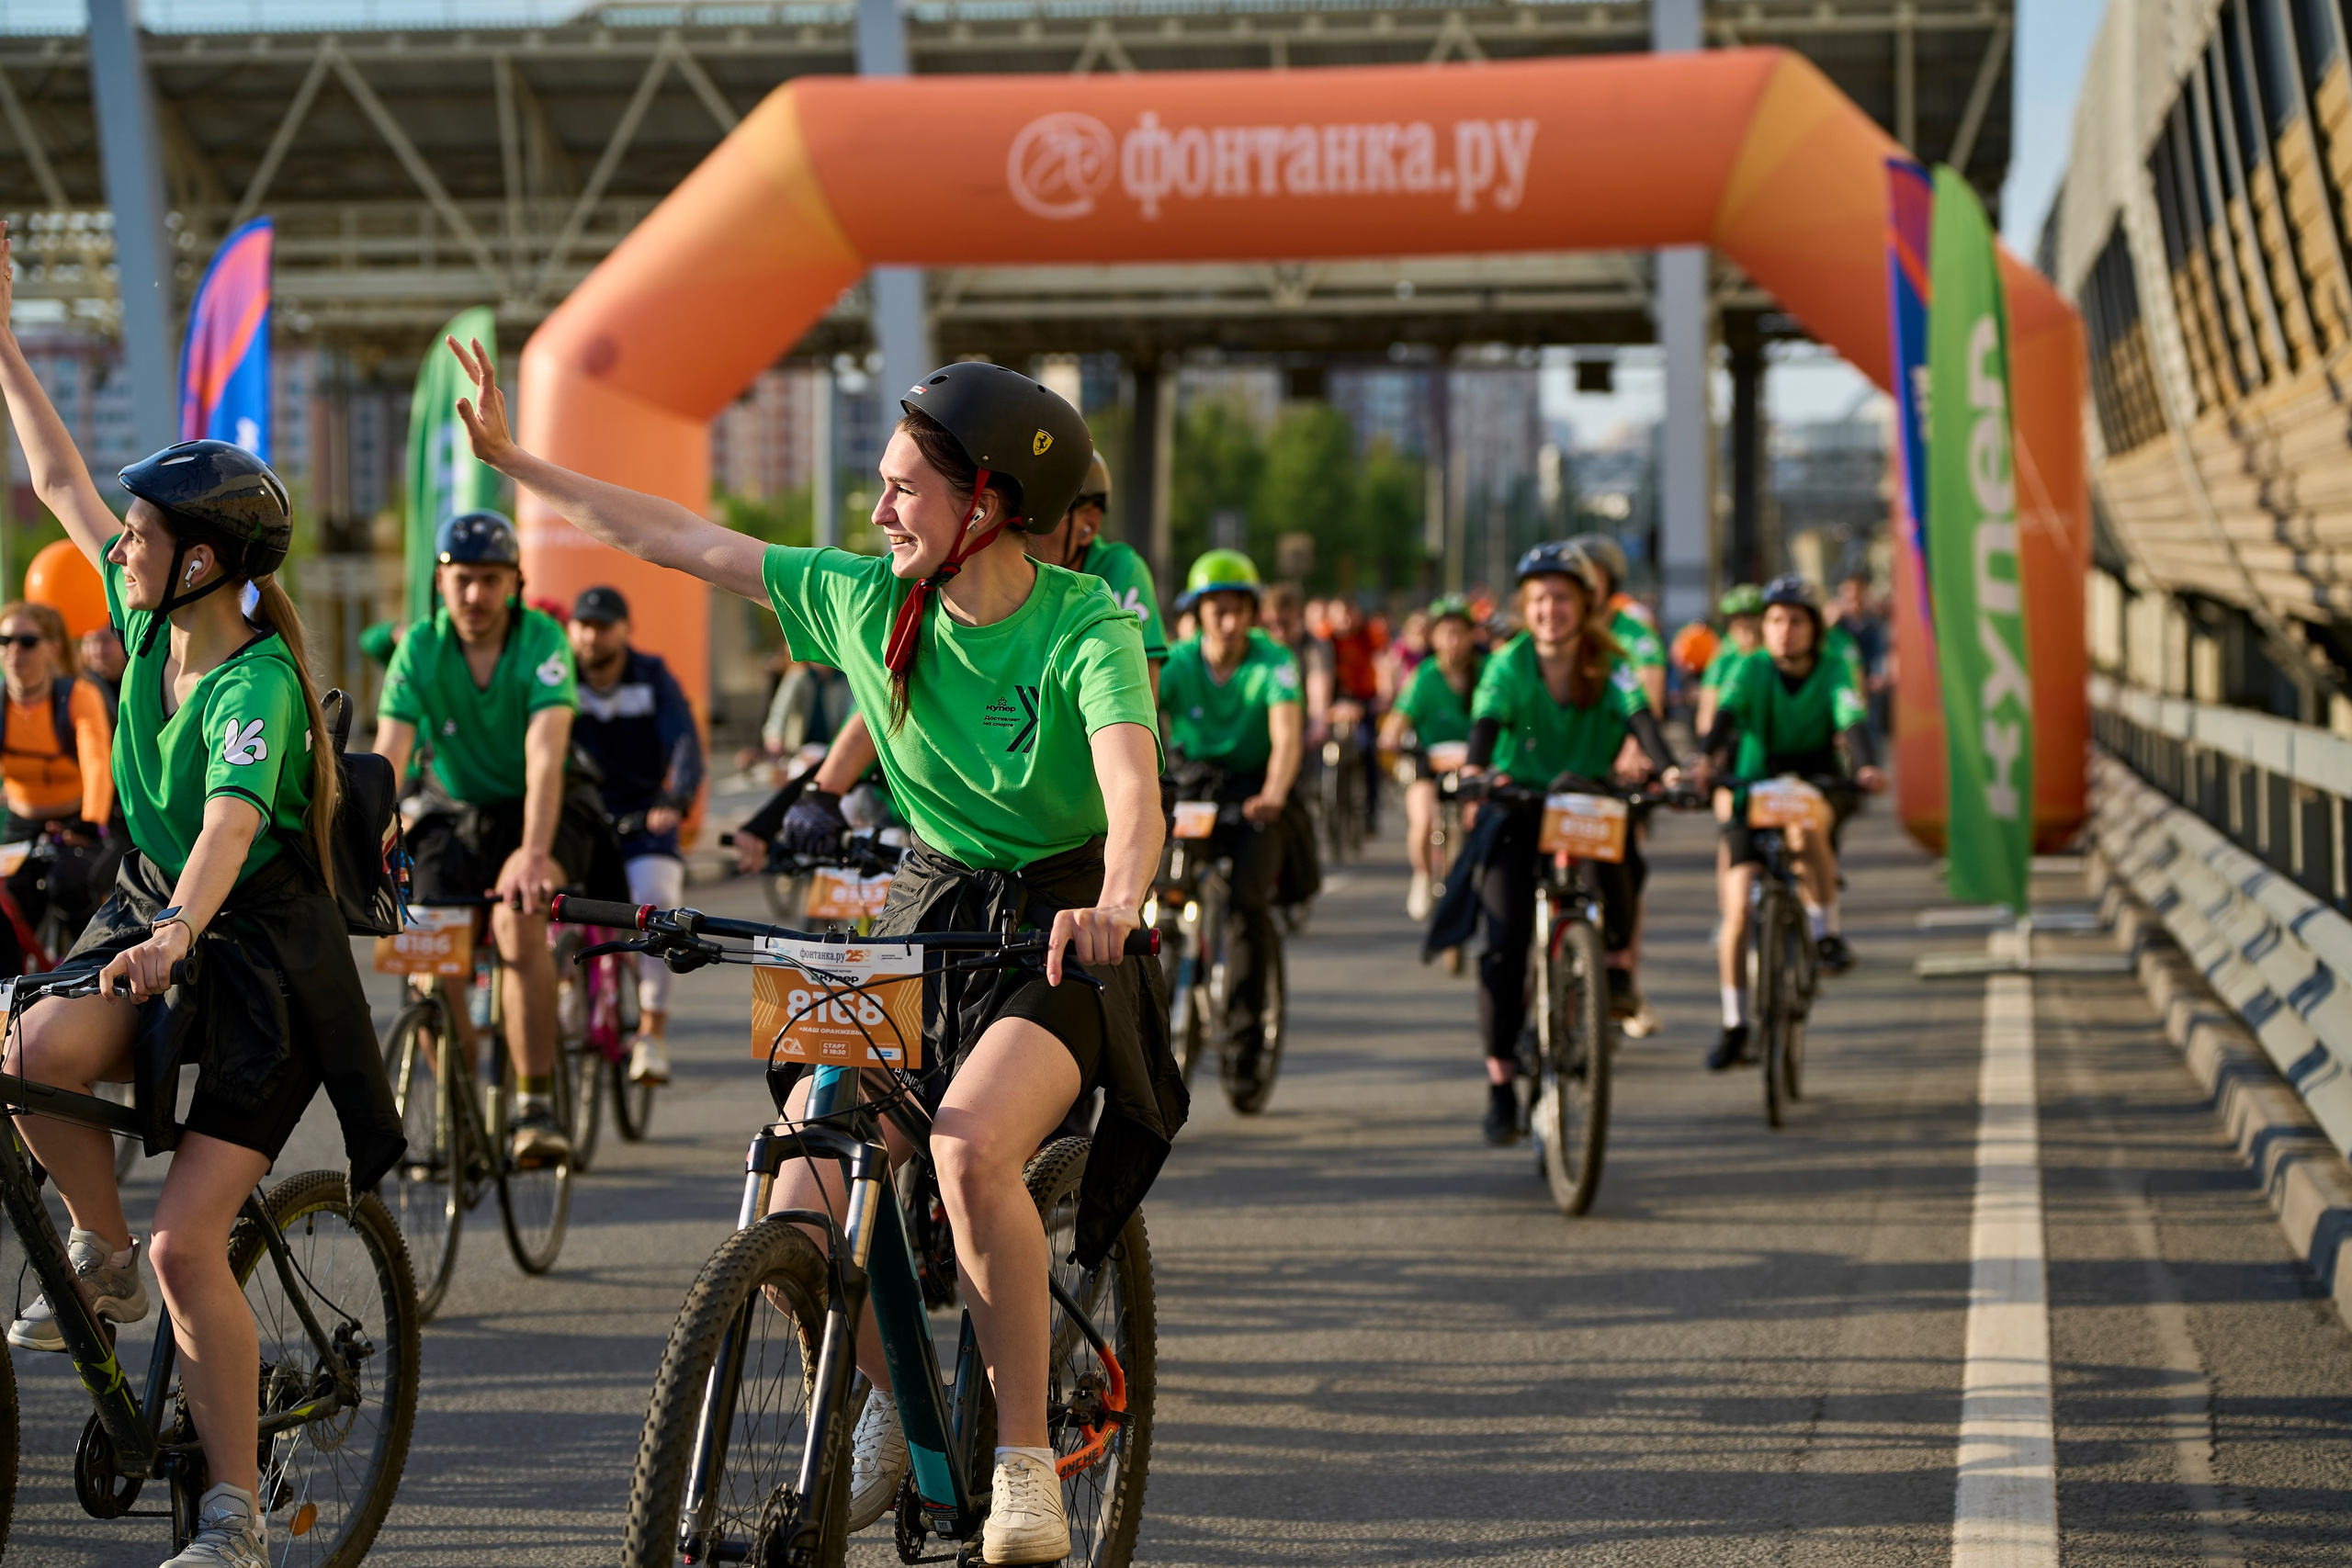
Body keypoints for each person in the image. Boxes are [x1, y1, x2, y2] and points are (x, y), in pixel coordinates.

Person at [445, 340, 1178, 1564]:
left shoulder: (1084, 623)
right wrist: (518, 460)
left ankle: (1023, 1464)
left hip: (1054, 925)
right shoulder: (866, 600)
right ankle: (892, 1398)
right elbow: (681, 537)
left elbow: (1132, 791)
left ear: (985, 501)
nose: (877, 505)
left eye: (902, 485)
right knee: (804, 1182)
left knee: (966, 1144)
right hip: (924, 902)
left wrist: (1116, 895)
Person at [0, 226, 404, 1568]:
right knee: (35, 1050)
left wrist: (177, 929)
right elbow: (56, 474)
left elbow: (233, 822)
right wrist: (2, 337)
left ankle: (234, 1509)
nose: (115, 550)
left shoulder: (258, 684)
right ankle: (98, 1257)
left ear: (204, 564)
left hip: (257, 968)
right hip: (157, 914)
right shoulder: (150, 633)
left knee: (191, 1251)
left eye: (140, 538)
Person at [764, 450, 1164, 862]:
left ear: (1088, 525)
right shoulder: (944, 582)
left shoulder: (1109, 580)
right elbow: (886, 698)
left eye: (1039, 517)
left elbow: (1134, 696)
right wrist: (824, 788)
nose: (1024, 528)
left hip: (1074, 810)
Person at [373, 509, 600, 1167]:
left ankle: (532, 1103)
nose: (474, 595)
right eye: (462, 579)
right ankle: (465, 1098)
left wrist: (532, 855)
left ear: (515, 584)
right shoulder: (419, 646)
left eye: (490, 580)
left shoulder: (542, 640)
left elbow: (546, 757)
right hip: (456, 809)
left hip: (540, 806)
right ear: (441, 583)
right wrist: (364, 844)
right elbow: (389, 756)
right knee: (426, 951)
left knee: (516, 923)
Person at [1459, 544, 1678, 1145]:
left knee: (1627, 872)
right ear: (1523, 608)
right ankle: (1501, 1080)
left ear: (1585, 604)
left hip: (1586, 803)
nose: (1550, 610)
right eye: (1538, 599)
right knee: (1502, 945)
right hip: (1519, 807)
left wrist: (1671, 771)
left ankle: (1610, 970)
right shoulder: (1507, 662)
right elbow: (1485, 723)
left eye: (1562, 597)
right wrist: (1476, 769)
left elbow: (1643, 719)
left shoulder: (1613, 660)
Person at [1693, 574, 1887, 1070]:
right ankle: (1736, 1023)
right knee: (1736, 908)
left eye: (1795, 621)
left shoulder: (1834, 668)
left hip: (1815, 784)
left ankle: (1827, 932)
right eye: (1775, 621)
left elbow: (1850, 717)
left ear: (1814, 629)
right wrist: (1704, 760)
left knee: (1804, 828)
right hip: (1752, 791)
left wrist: (1865, 765)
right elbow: (1728, 714)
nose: (1783, 631)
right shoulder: (1749, 667)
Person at [1159, 549, 1304, 1080]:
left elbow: (1287, 736)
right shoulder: (1176, 660)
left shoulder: (1275, 662)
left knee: (1247, 907)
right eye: (1214, 607)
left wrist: (1274, 792)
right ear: (1197, 612)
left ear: (1251, 613)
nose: (1227, 618)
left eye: (1237, 607)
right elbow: (1139, 713)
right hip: (1192, 786)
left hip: (1252, 794)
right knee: (1156, 896)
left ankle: (1243, 1045)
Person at [565, 585, 704, 1087]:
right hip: (579, 820)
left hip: (644, 822)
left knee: (657, 905)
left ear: (625, 630)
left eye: (603, 625)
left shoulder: (651, 677)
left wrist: (675, 799)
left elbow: (684, 741)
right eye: (583, 624)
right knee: (546, 905)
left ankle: (651, 1032)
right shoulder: (560, 676)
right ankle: (562, 987)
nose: (591, 635)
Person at [0, 601, 115, 970]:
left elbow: (98, 762)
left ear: (54, 648)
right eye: (4, 640)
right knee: (7, 907)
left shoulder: (79, 695)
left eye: (27, 641)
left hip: (79, 821)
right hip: (20, 824)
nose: (14, 651)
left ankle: (84, 979)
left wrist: (91, 819)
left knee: (69, 885)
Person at [1379, 594, 1478, 920]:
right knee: (1422, 821)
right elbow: (1400, 716)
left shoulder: (1487, 672)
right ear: (1432, 637)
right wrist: (1391, 735)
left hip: (1474, 768)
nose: (1453, 642)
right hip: (1429, 765)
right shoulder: (1424, 676)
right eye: (1445, 633)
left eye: (1459, 633)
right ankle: (1423, 874)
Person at [1566, 534, 1668, 710]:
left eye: (1594, 577)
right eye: (1578, 579)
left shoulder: (1637, 637)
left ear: (1611, 583)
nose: (1586, 586)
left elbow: (1649, 710)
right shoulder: (1557, 635)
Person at [1325, 596, 1385, 834]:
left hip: (1365, 700)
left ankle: (1371, 808)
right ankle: (1327, 796)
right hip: (1334, 700)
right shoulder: (1325, 639)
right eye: (1340, 615)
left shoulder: (1369, 635)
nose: (1346, 621)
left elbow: (1383, 663)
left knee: (1369, 747)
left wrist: (1384, 694)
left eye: (1350, 614)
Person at [1693, 583, 1765, 737]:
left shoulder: (1770, 653)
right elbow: (1708, 704)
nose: (1747, 625)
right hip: (1732, 735)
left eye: (1752, 618)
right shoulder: (1724, 655)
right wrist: (1710, 745)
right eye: (1741, 620)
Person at [78, 621, 125, 718]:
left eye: (106, 640)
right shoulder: (79, 687)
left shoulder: (138, 681)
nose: (97, 650)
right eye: (89, 641)